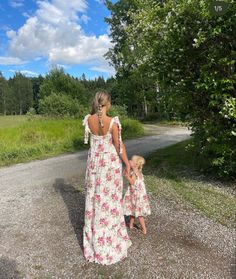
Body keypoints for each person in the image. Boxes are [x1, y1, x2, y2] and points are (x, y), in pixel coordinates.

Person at [82, 91, 132, 265]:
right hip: (109, 168)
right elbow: (119, 147)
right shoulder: (112, 123)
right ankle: (109, 243)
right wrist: (127, 164)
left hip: (94, 167)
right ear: (108, 103)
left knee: (95, 202)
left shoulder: (88, 120)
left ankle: (95, 243)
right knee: (109, 203)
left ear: (95, 103)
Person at [123, 155, 151, 235]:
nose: (130, 161)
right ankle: (131, 225)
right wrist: (127, 169)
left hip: (136, 195)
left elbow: (132, 182)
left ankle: (144, 228)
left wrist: (127, 177)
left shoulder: (134, 174)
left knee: (139, 214)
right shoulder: (138, 172)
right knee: (133, 210)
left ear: (135, 164)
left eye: (132, 161)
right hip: (138, 195)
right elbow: (126, 171)